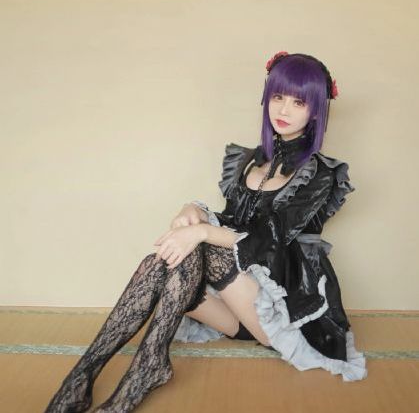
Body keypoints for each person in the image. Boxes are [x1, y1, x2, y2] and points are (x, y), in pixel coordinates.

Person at [45, 51, 367, 413]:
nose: (284, 109)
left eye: (299, 102)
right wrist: (194, 212)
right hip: (236, 315)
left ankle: (141, 368)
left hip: (283, 315)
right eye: (278, 96)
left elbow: (269, 239)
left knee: (197, 246)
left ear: (317, 111)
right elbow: (235, 222)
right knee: (162, 263)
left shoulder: (319, 173)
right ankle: (88, 375)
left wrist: (200, 233)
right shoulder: (250, 160)